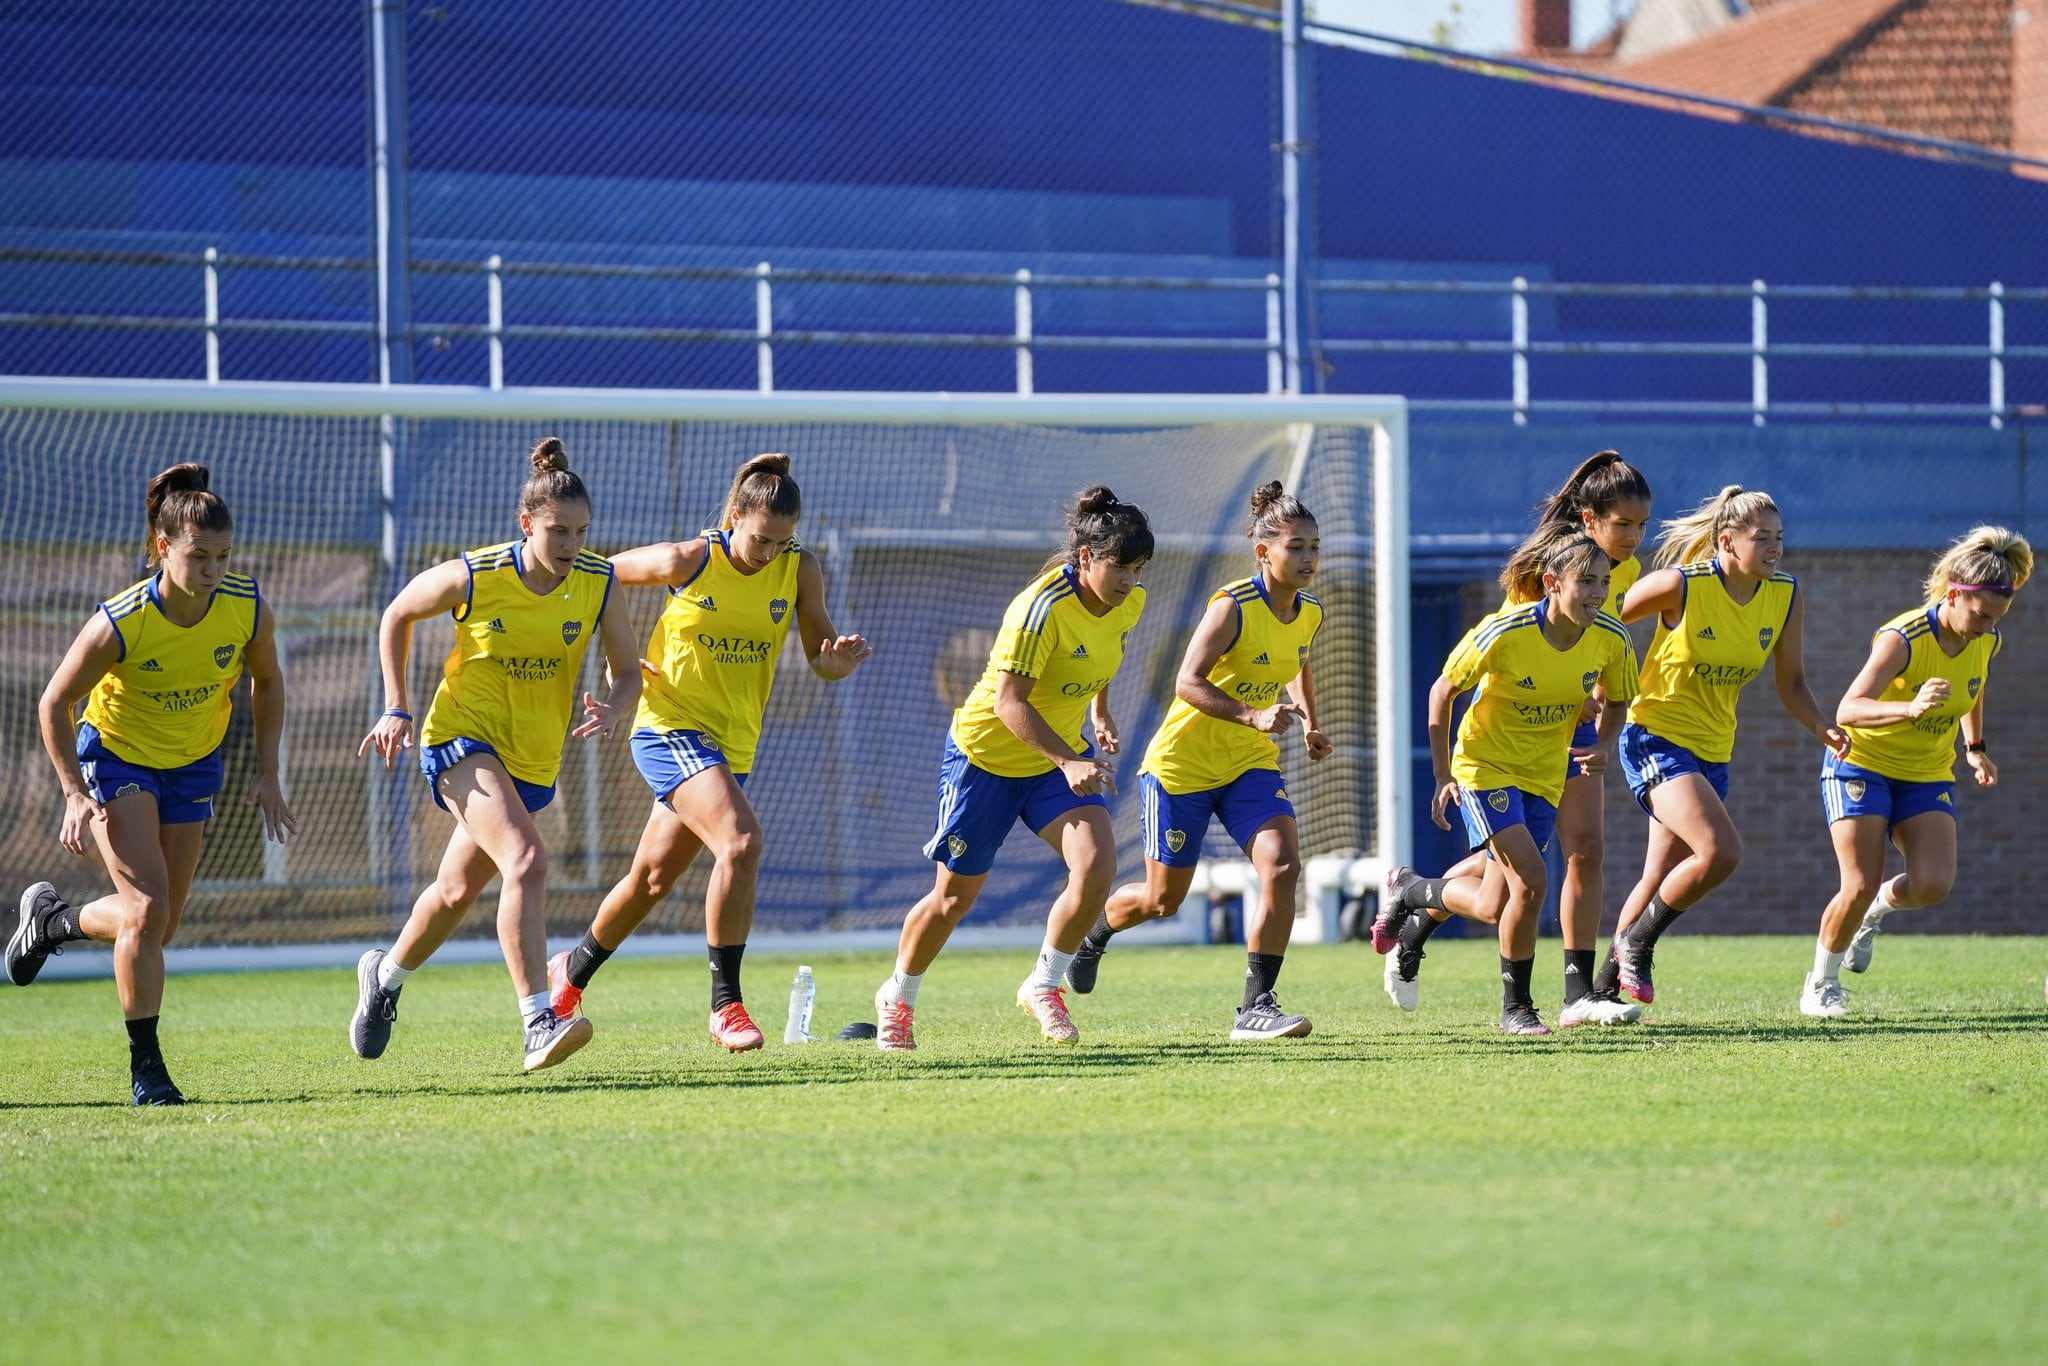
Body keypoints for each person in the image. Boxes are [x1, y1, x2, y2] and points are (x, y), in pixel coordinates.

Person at [545, 454, 870, 1050]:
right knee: (742, 842)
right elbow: (592, 576)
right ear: (735, 515)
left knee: (650, 880)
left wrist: (836, 662)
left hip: (730, 745)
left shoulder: (800, 569)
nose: (769, 553)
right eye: (761, 538)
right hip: (668, 727)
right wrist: (621, 658)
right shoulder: (688, 559)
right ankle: (727, 1006)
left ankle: (568, 975)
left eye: (782, 541)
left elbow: (820, 654)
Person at [9, 464, 296, 1105]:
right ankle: (148, 1071)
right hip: (118, 759)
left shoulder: (245, 607)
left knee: (158, 928)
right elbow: (54, 702)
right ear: (164, 548)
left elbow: (269, 681)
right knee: (144, 912)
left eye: (224, 555)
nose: (214, 569)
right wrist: (72, 792)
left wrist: (268, 772)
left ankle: (53, 925)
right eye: (200, 556)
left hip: (193, 764)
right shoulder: (123, 621)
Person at [350, 437, 637, 1073]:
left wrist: (615, 709)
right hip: (459, 738)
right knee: (527, 861)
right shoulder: (477, 574)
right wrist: (397, 704)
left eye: (581, 532)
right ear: (526, 523)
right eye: (558, 531)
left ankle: (384, 977)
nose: (571, 545)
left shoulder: (598, 582)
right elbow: (396, 615)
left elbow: (627, 674)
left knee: (453, 893)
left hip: (533, 761)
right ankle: (539, 1018)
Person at [1377, 450, 1651, 1025]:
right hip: (1507, 739)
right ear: (1589, 520)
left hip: (1562, 741)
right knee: (1532, 874)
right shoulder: (1543, 584)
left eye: (1641, 525)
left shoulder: (1614, 577)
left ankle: (1420, 901)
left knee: (1547, 868)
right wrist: (1443, 770)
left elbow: (1603, 657)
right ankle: (1521, 1005)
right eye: (1622, 524)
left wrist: (1600, 721)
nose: (1633, 537)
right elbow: (1522, 661)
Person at [873, 487, 1151, 1051]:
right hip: (987, 759)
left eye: (1138, 567)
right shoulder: (1038, 609)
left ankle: (1044, 985)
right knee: (953, 900)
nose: (1129, 579)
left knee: (1096, 868)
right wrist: (1070, 759)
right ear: (1086, 559)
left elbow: (1099, 658)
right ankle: (897, 997)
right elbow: (1010, 704)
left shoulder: (1131, 603)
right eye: (1119, 566)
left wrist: (1099, 711)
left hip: (1055, 760)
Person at [1067, 481, 1331, 1039]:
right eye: (1296, 547)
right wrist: (1252, 715)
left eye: (1314, 546)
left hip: (1248, 765)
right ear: (1264, 552)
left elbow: (1297, 663)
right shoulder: (1232, 606)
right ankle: (1096, 931)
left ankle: (1257, 1006)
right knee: (1163, 901)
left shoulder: (1310, 612)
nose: (1308, 558)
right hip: (1181, 768)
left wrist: (1309, 720)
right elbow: (1187, 683)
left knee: (1283, 866)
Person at [1589, 486, 1849, 1008]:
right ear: (1727, 542)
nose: (1775, 548)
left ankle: (1599, 995)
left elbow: (1792, 682)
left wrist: (1821, 724)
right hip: (1654, 736)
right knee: (1721, 852)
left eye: (1779, 537)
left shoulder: (1785, 595)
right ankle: (1637, 942)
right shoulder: (1681, 585)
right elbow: (1598, 620)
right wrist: (1595, 691)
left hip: (1713, 751)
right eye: (1762, 538)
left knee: (1659, 876)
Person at [1799, 527, 2030, 1017]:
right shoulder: (1902, 637)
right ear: (1953, 594)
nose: (1987, 628)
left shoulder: (1985, 639)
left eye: (1996, 620)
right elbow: (1847, 708)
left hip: (1926, 772)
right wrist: (1909, 708)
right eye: (1981, 616)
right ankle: (1820, 985)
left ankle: (1872, 915)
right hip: (1861, 765)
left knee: (1932, 884)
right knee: (1858, 882)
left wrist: (1975, 747)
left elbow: (1973, 685)